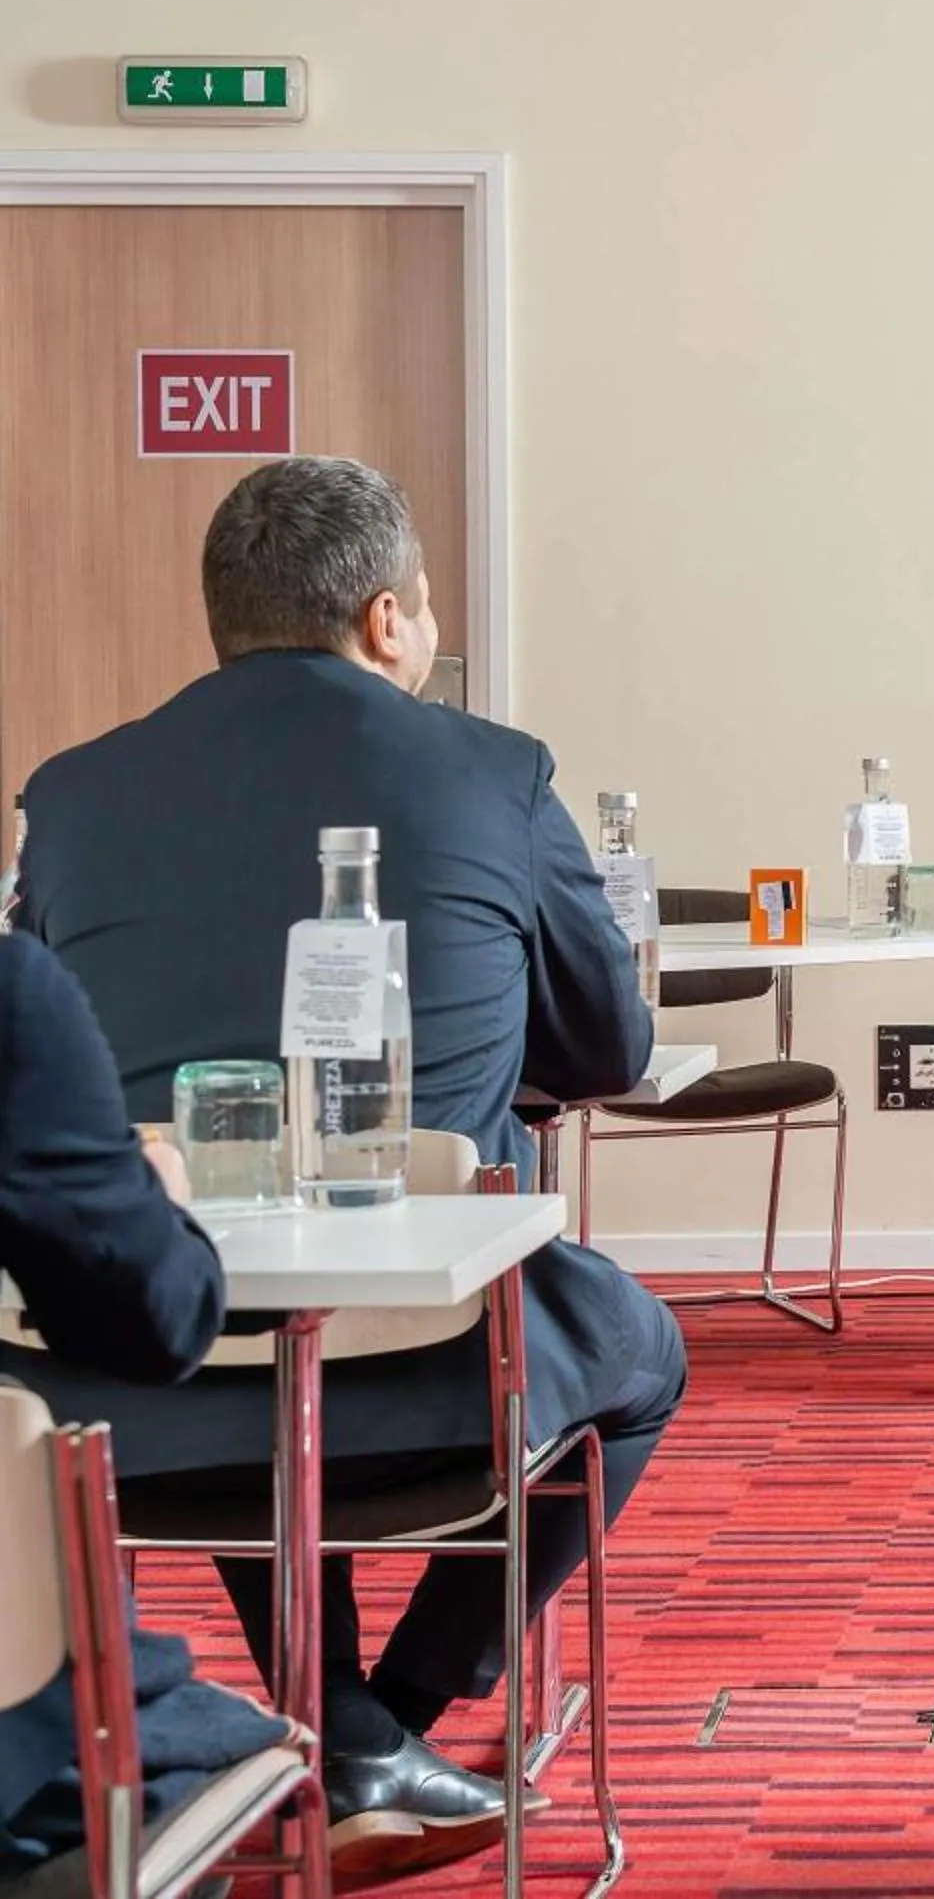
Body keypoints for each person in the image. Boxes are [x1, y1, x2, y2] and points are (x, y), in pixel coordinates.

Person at [10, 457, 685, 1886]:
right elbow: (608, 1046)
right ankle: (395, 1718)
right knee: (641, 1349)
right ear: (387, 619)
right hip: (436, 1369)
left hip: (116, 1391)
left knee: (247, 1345)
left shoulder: (69, 794)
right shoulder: (495, 772)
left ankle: (331, 1722)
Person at [0, 936, 288, 1891]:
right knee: (181, 1780)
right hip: (23, 1742)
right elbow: (154, 1323)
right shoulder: (11, 995)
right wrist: (161, 1199)